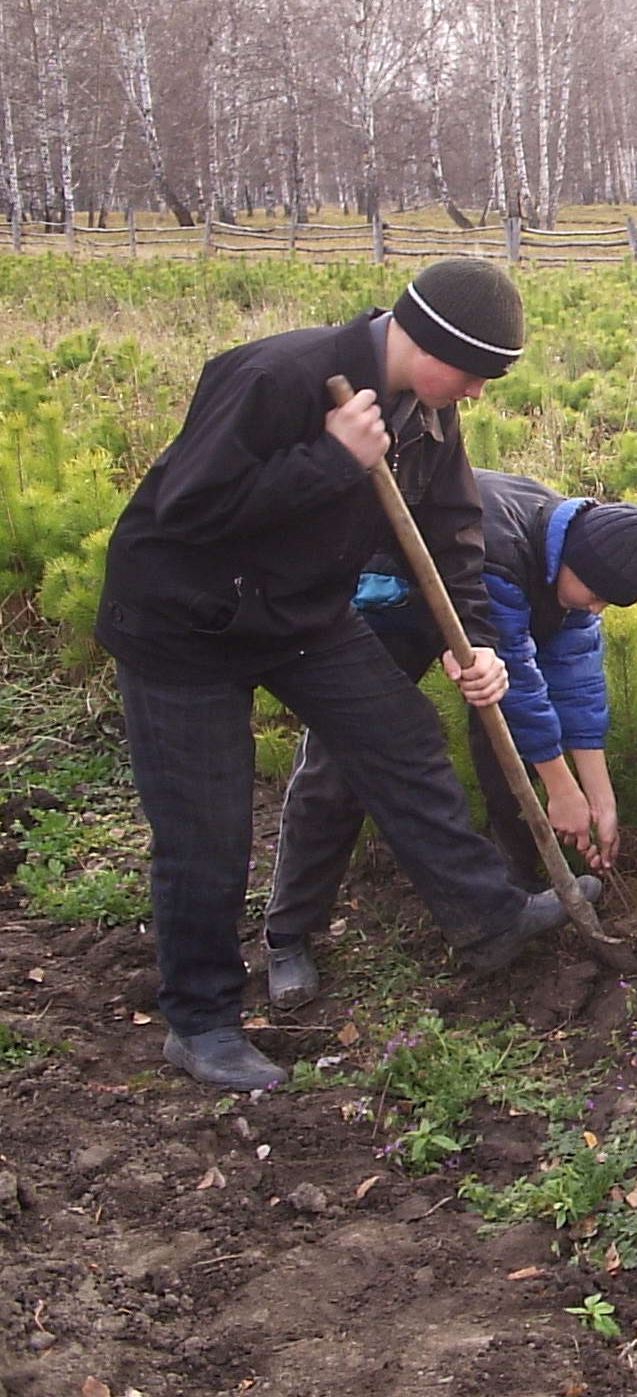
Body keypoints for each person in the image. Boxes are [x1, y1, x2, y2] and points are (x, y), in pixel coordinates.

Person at [95, 259, 598, 1090]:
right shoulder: (273, 376)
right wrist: (331, 461)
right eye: (474, 372)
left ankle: (489, 918)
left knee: (398, 734)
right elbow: (187, 509)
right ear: (429, 341)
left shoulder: (427, 415)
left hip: (300, 615)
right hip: (182, 624)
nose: (476, 392)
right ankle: (203, 1022)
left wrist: (472, 641)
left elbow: (453, 529)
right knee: (206, 827)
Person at [263, 471, 637, 1008]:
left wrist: (599, 797)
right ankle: (287, 933)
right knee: (343, 761)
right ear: (572, 561)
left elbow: (576, 682)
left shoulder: (576, 556)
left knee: (507, 748)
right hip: (389, 600)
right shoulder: (502, 549)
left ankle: (515, 895)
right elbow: (521, 688)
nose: (594, 611)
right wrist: (563, 792)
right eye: (593, 597)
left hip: (477, 626)